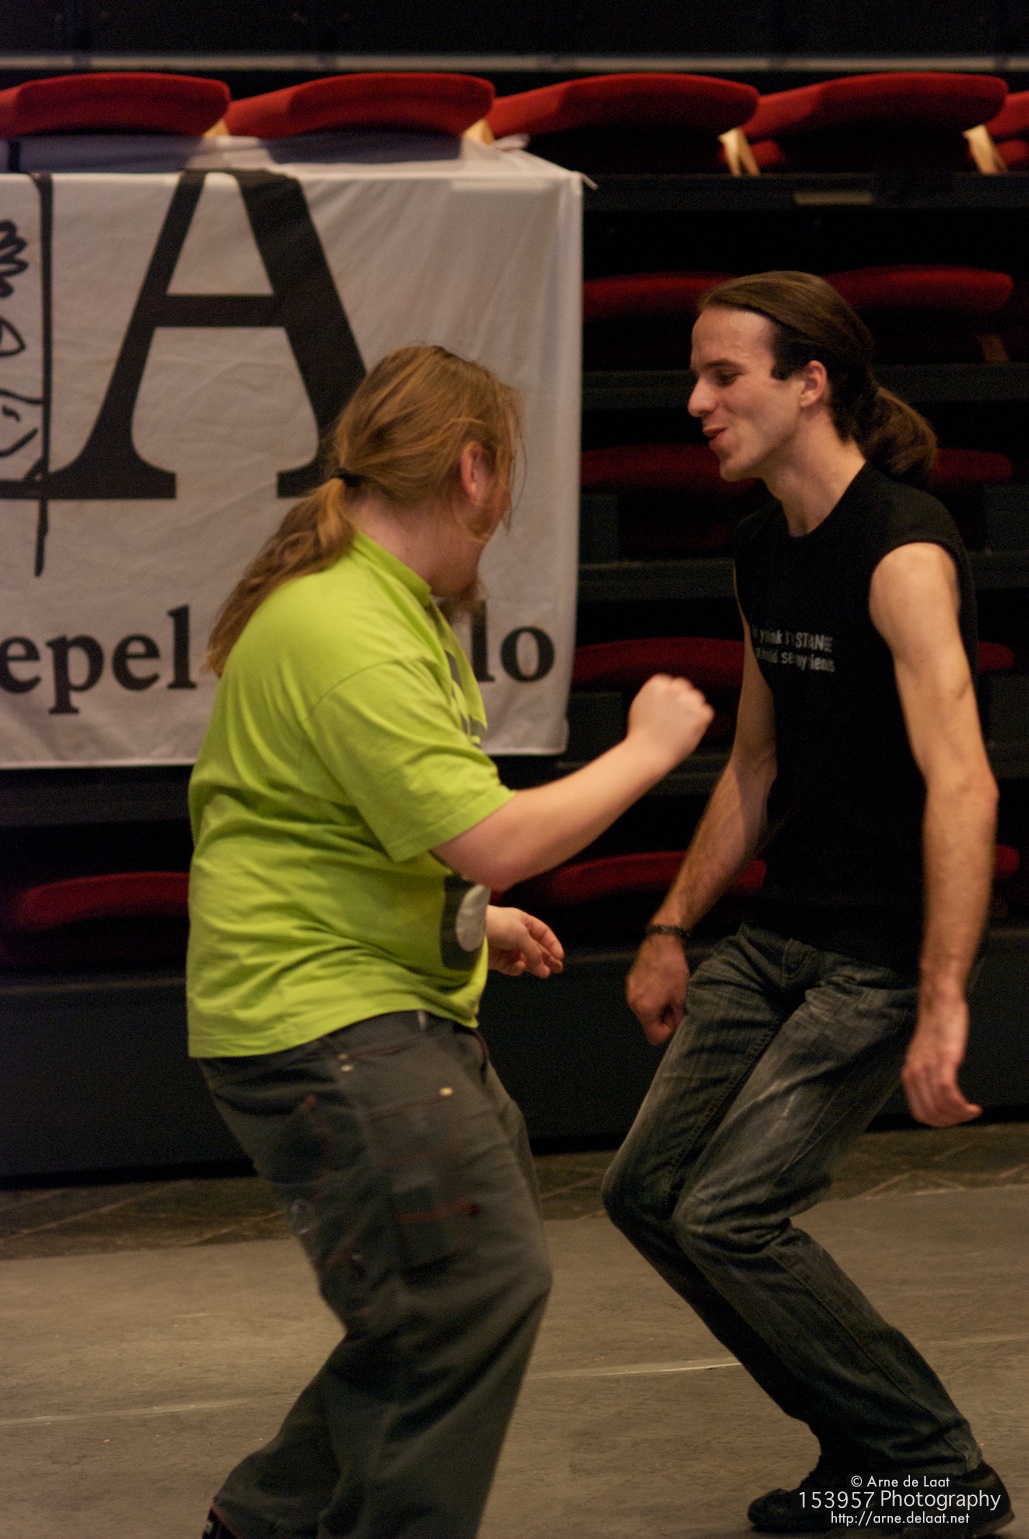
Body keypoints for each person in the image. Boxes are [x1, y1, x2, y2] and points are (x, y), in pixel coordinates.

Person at [188, 343, 713, 1539]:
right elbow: (491, 838)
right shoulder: (345, 626)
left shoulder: (380, 607)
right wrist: (647, 749)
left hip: (366, 1003)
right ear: (473, 470)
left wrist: (476, 917)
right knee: (471, 1288)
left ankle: (267, 1522)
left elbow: (363, 828)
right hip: (326, 1021)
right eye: (504, 476)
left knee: (443, 1303)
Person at [602, 273, 1013, 1535]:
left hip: (873, 960)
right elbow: (754, 764)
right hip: (777, 936)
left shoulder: (902, 551)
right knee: (645, 1194)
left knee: (729, 1214)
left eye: (724, 375)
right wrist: (671, 927)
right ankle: (867, 1450)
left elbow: (964, 779)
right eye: (696, 374)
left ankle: (933, 1468)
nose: (696, 401)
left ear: (810, 383)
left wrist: (942, 996)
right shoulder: (760, 546)